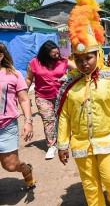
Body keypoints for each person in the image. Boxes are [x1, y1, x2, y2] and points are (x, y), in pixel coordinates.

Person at [56, 0, 110, 206]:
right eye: (78, 59)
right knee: (90, 188)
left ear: (97, 54)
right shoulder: (70, 84)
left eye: (87, 58)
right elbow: (64, 117)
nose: (83, 63)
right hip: (80, 146)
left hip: (109, 140)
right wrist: (62, 145)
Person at [25, 40, 76, 160]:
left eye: (57, 53)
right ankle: (52, 145)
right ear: (45, 54)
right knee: (48, 120)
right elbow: (28, 79)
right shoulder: (34, 63)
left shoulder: (63, 61)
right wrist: (23, 93)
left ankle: (65, 139)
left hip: (61, 95)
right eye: (54, 54)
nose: (57, 56)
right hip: (42, 96)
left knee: (64, 118)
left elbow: (78, 70)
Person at [0, 43, 36, 190]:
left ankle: (27, 171)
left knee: (11, 165)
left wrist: (28, 121)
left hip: (6, 126)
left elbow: (24, 99)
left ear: (1, 56)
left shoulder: (13, 75)